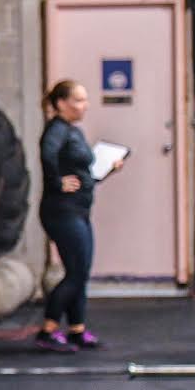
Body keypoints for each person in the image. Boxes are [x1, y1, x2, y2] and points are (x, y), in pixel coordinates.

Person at [37, 79, 121, 352]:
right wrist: (56, 181)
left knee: (81, 271)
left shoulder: (73, 131)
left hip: (79, 209)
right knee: (76, 272)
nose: (85, 106)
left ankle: (77, 329)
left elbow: (87, 176)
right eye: (79, 100)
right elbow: (47, 154)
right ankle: (48, 330)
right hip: (62, 211)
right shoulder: (57, 130)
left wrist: (108, 168)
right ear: (62, 104)